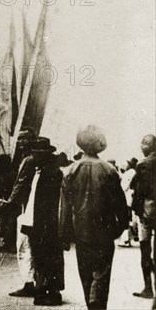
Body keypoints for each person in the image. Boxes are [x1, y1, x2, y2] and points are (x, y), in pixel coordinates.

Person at [60, 125, 128, 310]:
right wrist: (120, 227)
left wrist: (65, 233)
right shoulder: (109, 170)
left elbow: (65, 206)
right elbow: (120, 205)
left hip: (81, 230)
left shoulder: (70, 171)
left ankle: (91, 304)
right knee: (102, 274)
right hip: (104, 231)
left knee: (86, 273)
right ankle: (97, 304)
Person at [0, 129, 38, 297]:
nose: (20, 143)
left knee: (25, 246)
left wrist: (9, 202)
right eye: (18, 140)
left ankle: (29, 283)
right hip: (29, 206)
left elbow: (20, 184)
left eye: (23, 139)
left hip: (27, 208)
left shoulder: (28, 160)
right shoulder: (31, 159)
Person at [24, 138, 64, 306]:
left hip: (48, 223)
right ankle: (43, 288)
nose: (34, 156)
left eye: (37, 153)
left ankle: (53, 291)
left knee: (50, 256)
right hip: (37, 221)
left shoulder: (53, 173)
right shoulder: (38, 171)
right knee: (40, 256)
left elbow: (52, 203)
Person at [130, 134, 156, 299]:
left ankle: (148, 288)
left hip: (148, 210)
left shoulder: (144, 164)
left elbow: (138, 189)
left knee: (145, 250)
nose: (141, 146)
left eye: (144, 144)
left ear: (150, 146)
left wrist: (136, 213)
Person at [119, 157, 138, 247]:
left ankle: (126, 240)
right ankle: (128, 238)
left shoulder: (129, 173)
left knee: (126, 218)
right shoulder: (134, 172)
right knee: (129, 218)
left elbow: (123, 186)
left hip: (126, 198)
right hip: (131, 198)